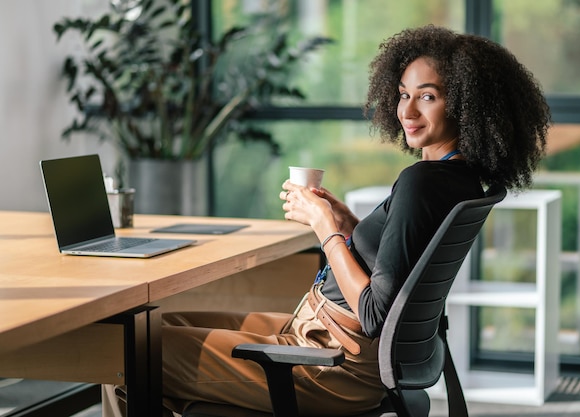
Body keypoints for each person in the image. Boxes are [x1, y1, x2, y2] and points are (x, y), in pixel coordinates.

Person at [102, 24, 550, 417]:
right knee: (163, 327)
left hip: (330, 363)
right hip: (324, 340)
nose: (407, 111)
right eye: (403, 94)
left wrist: (325, 227)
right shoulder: (460, 180)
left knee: (123, 353)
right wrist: (348, 222)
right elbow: (401, 263)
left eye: (427, 97)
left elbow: (376, 313)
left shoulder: (422, 183)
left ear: (466, 107)